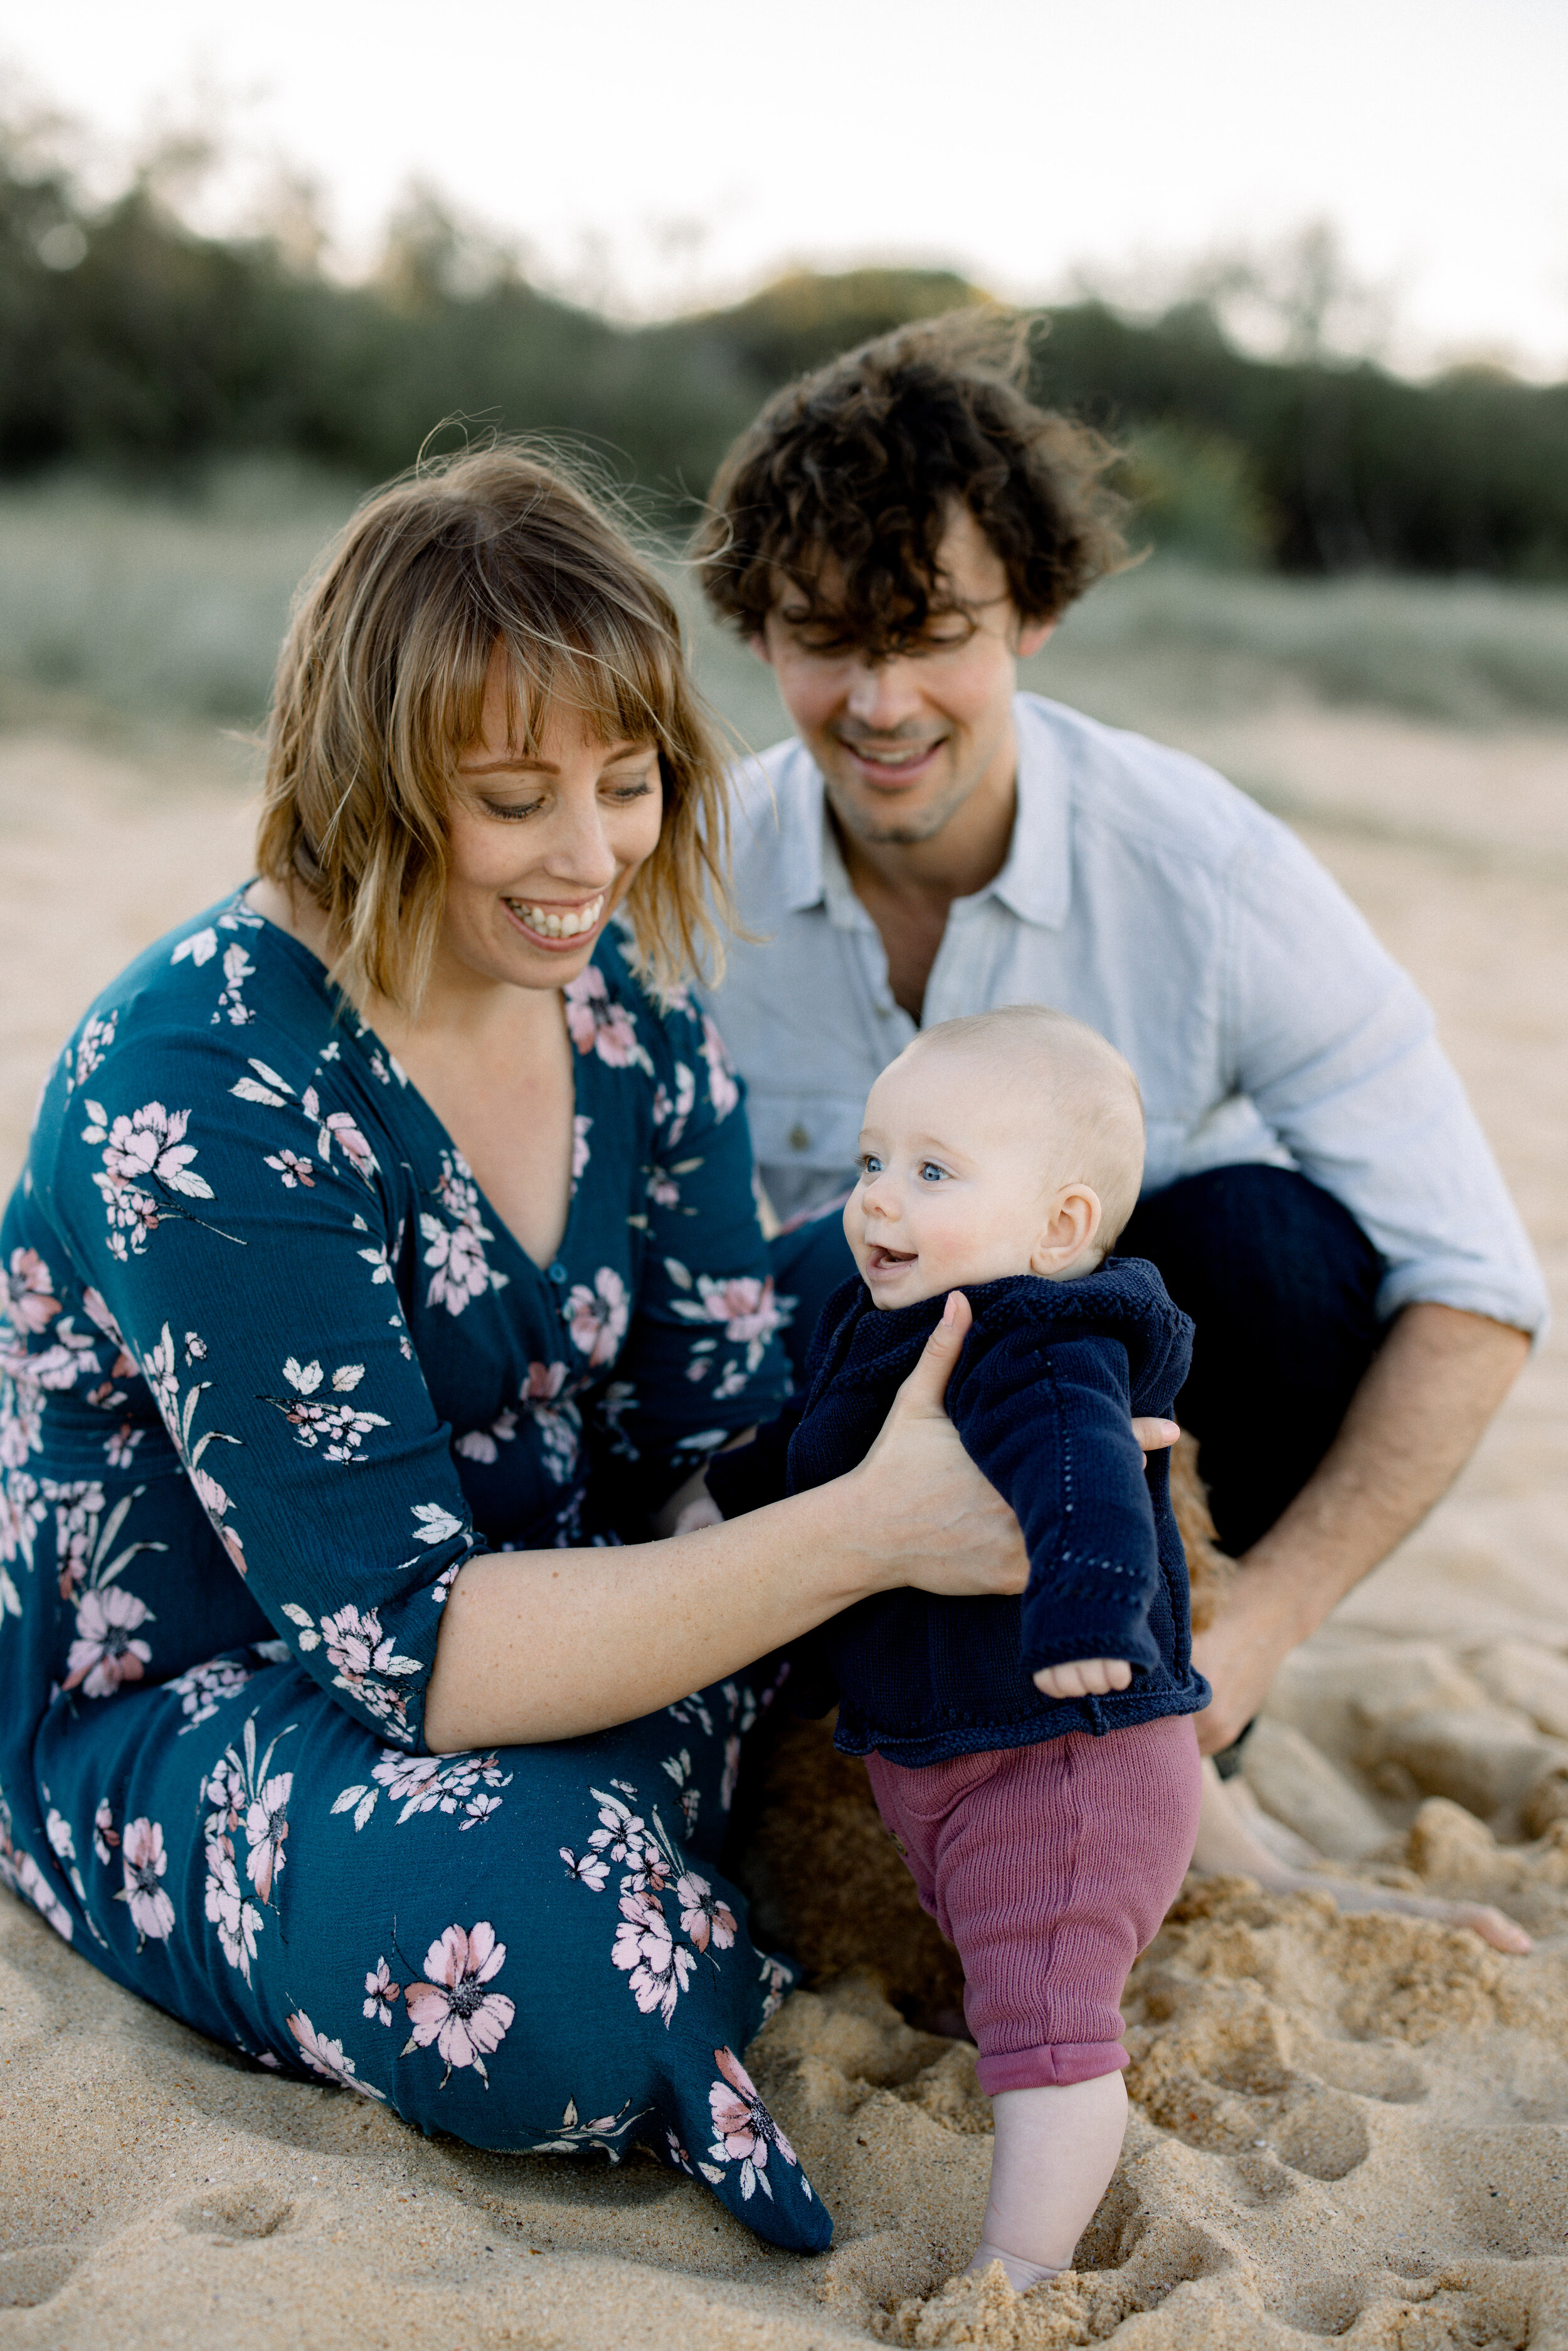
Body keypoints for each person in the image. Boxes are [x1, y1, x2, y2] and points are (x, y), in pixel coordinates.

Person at [0, 447, 1049, 2254]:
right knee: (526, 1943)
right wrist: (866, 1539)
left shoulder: (622, 1001)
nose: (589, 858)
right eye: (510, 798)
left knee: (1003, 1317)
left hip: (580, 1581)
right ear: (367, 784)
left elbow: (714, 1418)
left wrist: (908, 1449)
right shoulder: (201, 1085)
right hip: (237, 1690)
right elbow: (412, 1651)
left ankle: (827, 1784)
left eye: (628, 783)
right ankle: (731, 1820)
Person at [694, 312, 1548, 1943]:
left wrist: (1265, 1628)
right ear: (757, 628)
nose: (877, 699)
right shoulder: (688, 877)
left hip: (1108, 1460)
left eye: (930, 628)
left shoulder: (1205, 874)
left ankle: (1173, 1726)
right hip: (808, 1444)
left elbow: (1478, 1281)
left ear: (1032, 607)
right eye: (821, 635)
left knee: (1268, 1249)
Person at [696, 1005, 1204, 2290]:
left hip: (1064, 1751)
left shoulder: (1037, 1341)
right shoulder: (896, 1325)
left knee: (1051, 2036)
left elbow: (1084, 1479)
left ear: (1060, 1227)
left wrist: (1093, 1612)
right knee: (1010, 1982)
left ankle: (1020, 2266)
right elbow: (821, 1447)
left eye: (933, 1170)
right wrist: (709, 1499)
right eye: (871, 1160)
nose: (876, 1198)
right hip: (961, 1758)